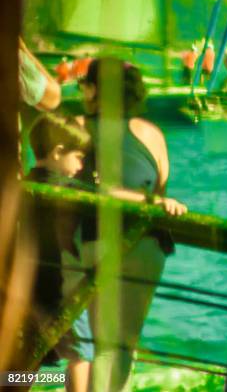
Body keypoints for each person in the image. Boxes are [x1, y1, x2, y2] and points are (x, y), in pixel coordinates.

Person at [75, 58, 187, 392]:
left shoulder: (76, 125)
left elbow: (67, 186)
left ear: (94, 89)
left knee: (91, 346)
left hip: (94, 239)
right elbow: (161, 191)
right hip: (147, 244)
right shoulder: (152, 134)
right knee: (123, 345)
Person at [26, 113, 93, 392]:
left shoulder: (24, 184)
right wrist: (154, 201)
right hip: (64, 290)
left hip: (29, 289)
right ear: (58, 152)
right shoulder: (66, 188)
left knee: (27, 360)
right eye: (78, 157)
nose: (80, 166)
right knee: (80, 356)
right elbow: (109, 197)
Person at [18, 37, 61, 111]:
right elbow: (36, 105)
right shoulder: (51, 105)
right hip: (32, 97)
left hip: (39, 84)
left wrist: (25, 49)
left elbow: (41, 70)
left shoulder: (57, 90)